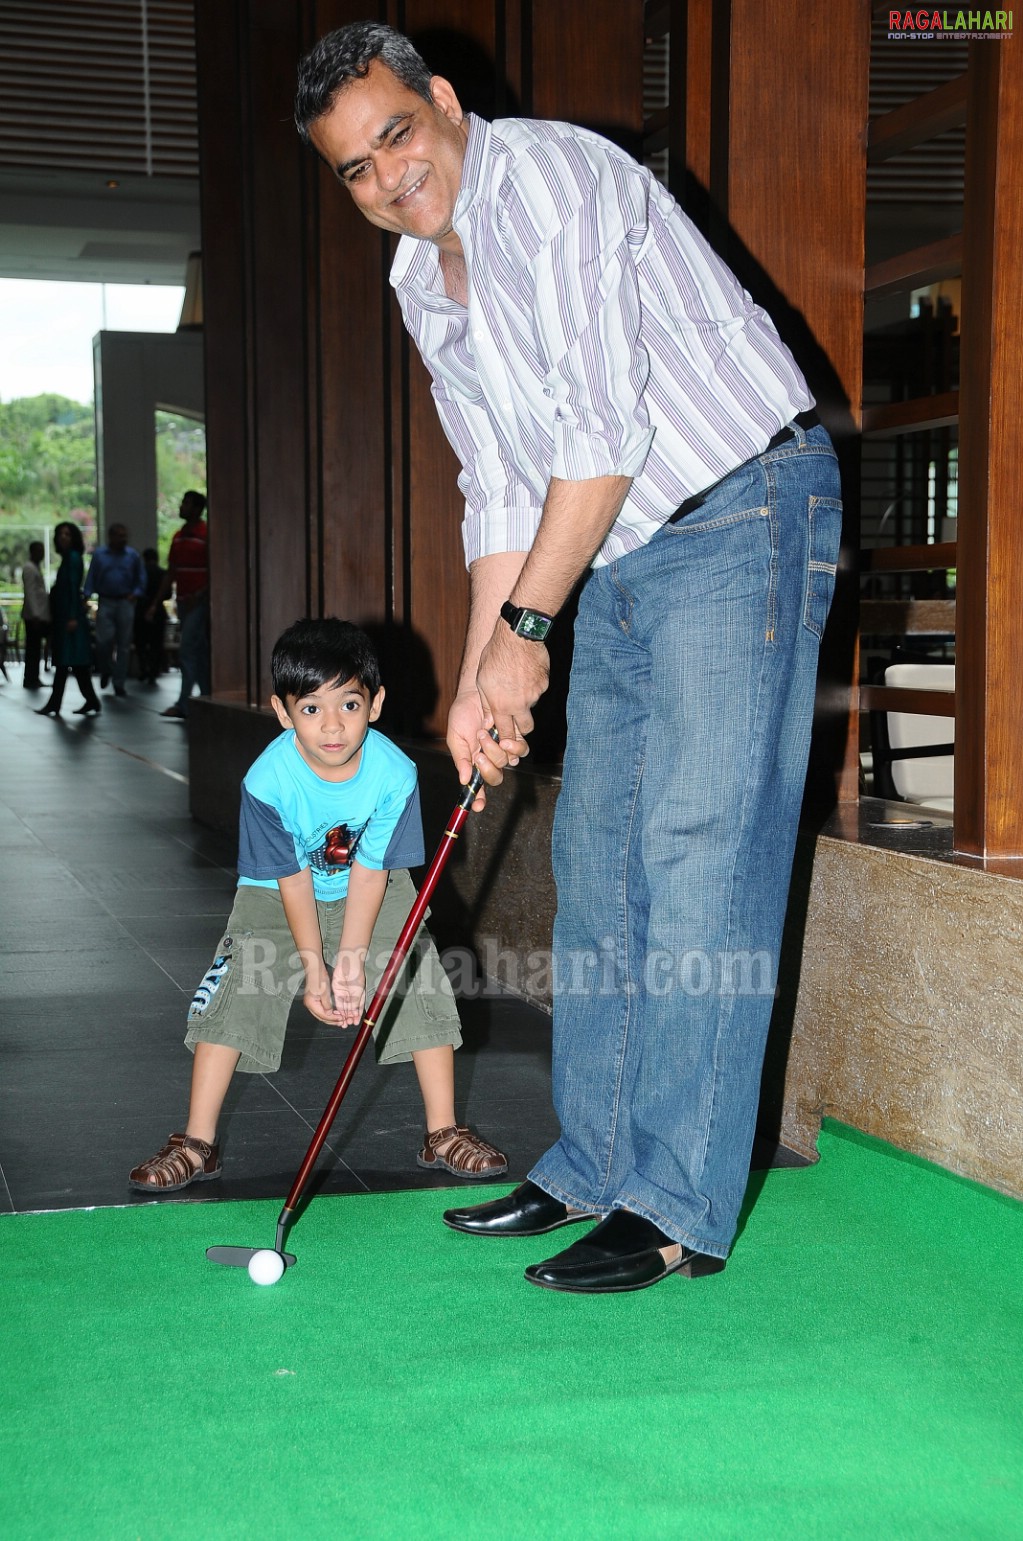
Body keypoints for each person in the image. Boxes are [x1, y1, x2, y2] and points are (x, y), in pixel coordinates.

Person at [294, 25, 843, 1295]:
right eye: (357, 170)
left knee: (703, 853)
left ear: (440, 102)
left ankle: (678, 1203)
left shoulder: (550, 178)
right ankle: (593, 1159)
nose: (389, 177)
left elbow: (598, 433)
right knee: (598, 852)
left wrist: (528, 636)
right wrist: (488, 666)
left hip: (744, 507)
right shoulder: (418, 278)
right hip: (621, 545)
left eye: (398, 136)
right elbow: (497, 482)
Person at [128, 616, 506, 1193]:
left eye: (349, 705)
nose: (332, 726)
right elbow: (292, 881)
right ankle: (197, 1142)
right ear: (283, 713)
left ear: (375, 704)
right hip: (276, 893)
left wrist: (351, 961)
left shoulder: (393, 774)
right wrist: (314, 968)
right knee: (236, 988)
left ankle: (443, 1130)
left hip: (371, 888)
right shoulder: (267, 782)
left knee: (419, 980)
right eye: (310, 709)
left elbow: (373, 870)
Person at [151, 490, 210, 719]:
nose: (182, 506)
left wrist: (202, 593)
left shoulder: (205, 534)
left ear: (197, 508)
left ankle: (184, 704)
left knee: (187, 650)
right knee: (199, 651)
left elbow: (214, 568)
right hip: (184, 601)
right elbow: (172, 572)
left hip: (198, 601)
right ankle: (205, 696)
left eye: (186, 503)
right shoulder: (178, 536)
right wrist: (156, 602)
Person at [35, 521, 102, 718]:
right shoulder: (69, 558)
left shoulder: (72, 558)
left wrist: (72, 616)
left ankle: (56, 703)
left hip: (69, 618)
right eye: (60, 534)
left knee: (65, 661)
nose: (63, 537)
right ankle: (90, 700)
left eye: (67, 534)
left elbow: (73, 587)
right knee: (76, 663)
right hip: (66, 616)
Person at [83, 522, 146, 697]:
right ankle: (106, 669)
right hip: (106, 601)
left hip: (125, 601)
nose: (123, 539)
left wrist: (135, 594)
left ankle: (119, 682)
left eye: (125, 535)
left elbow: (141, 579)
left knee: (124, 644)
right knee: (103, 641)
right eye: (119, 535)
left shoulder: (132, 556)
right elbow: (91, 577)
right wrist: (86, 596)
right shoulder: (100, 555)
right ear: (111, 537)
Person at [134, 547, 167, 685]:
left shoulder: (139, 574)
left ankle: (144, 668)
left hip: (140, 609)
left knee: (141, 642)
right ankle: (154, 670)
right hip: (158, 609)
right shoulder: (162, 573)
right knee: (156, 643)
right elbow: (168, 594)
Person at [21, 540, 51, 690]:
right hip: (34, 617)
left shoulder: (34, 568)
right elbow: (31, 593)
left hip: (36, 615)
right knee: (32, 649)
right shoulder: (29, 568)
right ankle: (30, 678)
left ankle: (33, 677)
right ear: (33, 552)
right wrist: (36, 615)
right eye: (39, 551)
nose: (42, 554)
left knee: (34, 648)